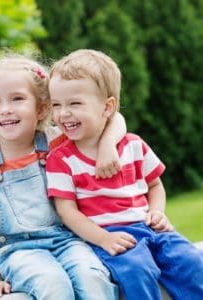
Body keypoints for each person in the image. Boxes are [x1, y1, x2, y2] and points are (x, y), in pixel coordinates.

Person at [0, 51, 126, 300]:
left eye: (17, 99)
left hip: (68, 240)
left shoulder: (57, 141)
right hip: (18, 251)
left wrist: (107, 145)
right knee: (53, 285)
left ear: (42, 109)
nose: (5, 110)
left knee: (93, 277)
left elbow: (112, 117)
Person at [46, 49, 203, 300]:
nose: (63, 113)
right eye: (56, 104)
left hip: (152, 229)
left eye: (75, 103)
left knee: (192, 262)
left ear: (107, 107)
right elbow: (67, 211)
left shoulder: (133, 145)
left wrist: (157, 212)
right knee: (137, 271)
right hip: (112, 235)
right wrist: (103, 239)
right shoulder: (61, 159)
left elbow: (155, 186)